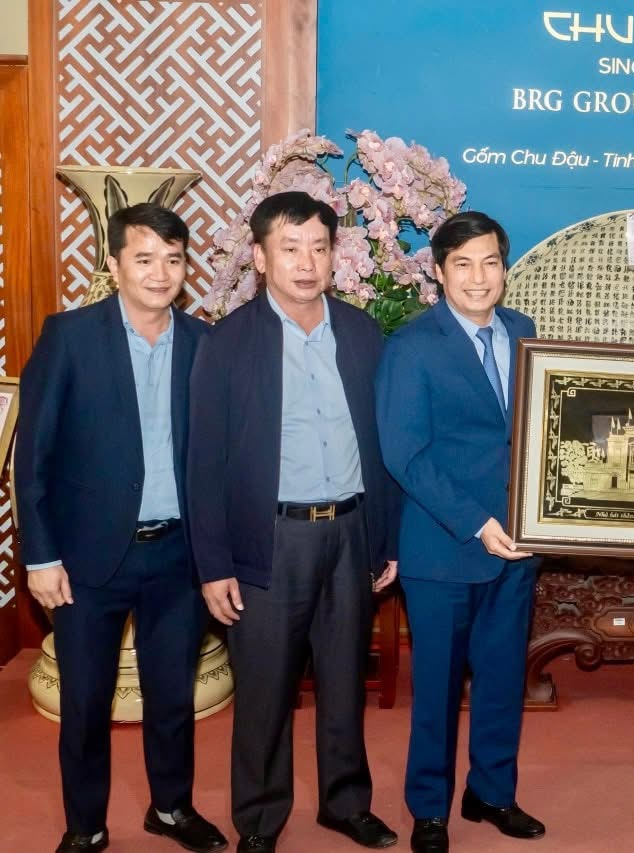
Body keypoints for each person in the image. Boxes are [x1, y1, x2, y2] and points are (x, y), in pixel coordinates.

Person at [187, 191, 400, 853]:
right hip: (270, 539)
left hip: (351, 532)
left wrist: (385, 536)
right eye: (290, 247)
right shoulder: (227, 342)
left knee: (344, 679)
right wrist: (213, 564)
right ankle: (258, 819)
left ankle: (346, 803)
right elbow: (203, 463)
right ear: (259, 256)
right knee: (265, 689)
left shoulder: (362, 334)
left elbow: (382, 444)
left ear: (334, 255)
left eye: (319, 247)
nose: (307, 263)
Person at [15, 203, 226, 853]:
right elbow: (33, 455)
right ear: (113, 264)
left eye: (173, 259)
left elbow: (219, 459)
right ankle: (86, 825)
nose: (160, 273)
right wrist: (39, 556)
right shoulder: (70, 336)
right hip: (86, 560)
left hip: (178, 556)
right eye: (144, 258)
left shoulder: (205, 343)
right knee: (85, 702)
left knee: (172, 697)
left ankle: (171, 807)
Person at [375, 211, 542, 853]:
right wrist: (478, 523)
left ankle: (492, 793)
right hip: (444, 548)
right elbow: (405, 454)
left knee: (501, 681)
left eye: (490, 263)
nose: (478, 277)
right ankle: (429, 810)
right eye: (463, 264)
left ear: (505, 268)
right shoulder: (412, 346)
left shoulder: (523, 332)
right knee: (438, 691)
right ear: (439, 272)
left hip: (519, 546)